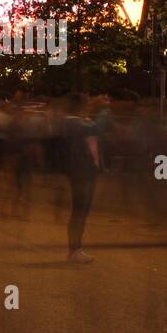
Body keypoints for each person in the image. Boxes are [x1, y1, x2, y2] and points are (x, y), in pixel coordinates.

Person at [61, 94, 104, 264]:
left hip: (87, 170)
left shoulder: (80, 120)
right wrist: (104, 110)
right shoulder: (71, 122)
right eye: (86, 104)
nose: (89, 106)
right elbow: (95, 128)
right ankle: (74, 250)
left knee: (82, 211)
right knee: (79, 211)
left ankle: (76, 249)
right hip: (80, 171)